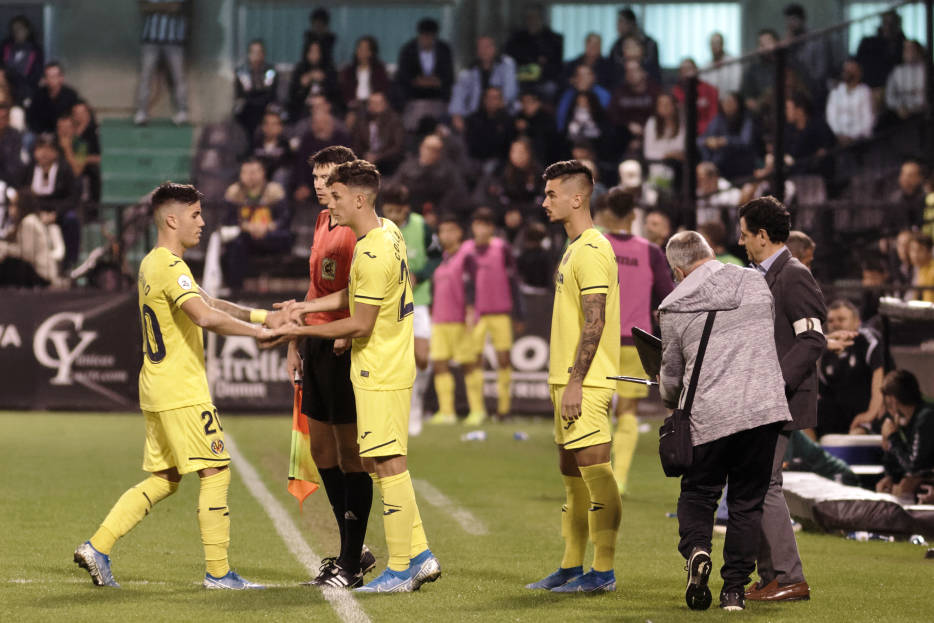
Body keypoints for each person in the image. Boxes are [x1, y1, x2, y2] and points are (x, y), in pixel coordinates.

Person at [74, 182, 288, 590]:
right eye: (195, 215)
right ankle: (220, 574)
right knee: (216, 471)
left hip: (156, 387)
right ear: (172, 219)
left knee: (165, 478)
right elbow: (205, 317)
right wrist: (256, 335)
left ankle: (97, 547)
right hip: (180, 389)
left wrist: (263, 317)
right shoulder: (171, 267)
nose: (203, 223)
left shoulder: (156, 264)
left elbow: (210, 302)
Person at [275, 160, 441, 593]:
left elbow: (360, 322)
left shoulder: (368, 247)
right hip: (390, 364)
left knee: (384, 463)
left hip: (378, 368)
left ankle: (402, 567)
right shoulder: (388, 232)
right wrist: (306, 310)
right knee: (385, 461)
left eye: (338, 194)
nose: (331, 201)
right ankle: (418, 554)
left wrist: (298, 329)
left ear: (360, 198)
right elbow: (359, 289)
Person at [659, 231, 792, 612]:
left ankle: (698, 549)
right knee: (747, 503)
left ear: (678, 270)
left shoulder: (673, 306)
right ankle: (734, 590)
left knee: (699, 494)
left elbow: (671, 380)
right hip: (763, 411)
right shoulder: (755, 281)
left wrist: (667, 393)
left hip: (710, 415)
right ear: (712, 253)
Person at [278, 146, 376, 588]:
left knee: (350, 453)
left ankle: (351, 560)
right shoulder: (322, 221)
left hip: (341, 346)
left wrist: (340, 331)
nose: (320, 184)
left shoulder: (360, 231)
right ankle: (353, 549)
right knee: (321, 453)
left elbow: (356, 296)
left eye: (328, 177)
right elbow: (315, 285)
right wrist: (295, 338)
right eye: (315, 176)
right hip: (316, 345)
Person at [527, 160, 621, 593]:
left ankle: (602, 572)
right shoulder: (574, 246)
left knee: (595, 472)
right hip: (566, 381)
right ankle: (571, 565)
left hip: (587, 382)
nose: (544, 201)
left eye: (551, 194)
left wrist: (578, 381)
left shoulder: (594, 248)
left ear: (577, 198)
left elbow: (595, 321)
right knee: (571, 476)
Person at [738, 196, 826, 603]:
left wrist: (775, 382)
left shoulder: (793, 275)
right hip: (759, 397)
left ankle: (790, 577)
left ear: (761, 235)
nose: (741, 243)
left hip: (779, 398)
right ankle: (772, 576)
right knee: (755, 484)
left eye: (744, 235)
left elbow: (812, 338)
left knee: (766, 484)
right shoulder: (760, 275)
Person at [594, 188, 673, 494]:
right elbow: (667, 296)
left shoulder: (595, 246)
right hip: (636, 342)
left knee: (597, 410)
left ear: (605, 214)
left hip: (599, 339)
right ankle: (620, 478)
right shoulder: (650, 252)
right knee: (627, 411)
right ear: (634, 215)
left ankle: (596, 476)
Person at [381, 183, 441, 436]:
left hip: (418, 301)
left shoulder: (422, 226)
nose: (394, 215)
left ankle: (416, 405)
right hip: (386, 304)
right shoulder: (378, 226)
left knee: (422, 357)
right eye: (389, 210)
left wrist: (420, 274)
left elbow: (437, 256)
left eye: (398, 210)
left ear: (407, 209)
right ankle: (396, 412)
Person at [463, 207, 524, 423]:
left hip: (501, 313)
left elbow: (513, 281)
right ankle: (477, 410)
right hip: (478, 314)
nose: (480, 229)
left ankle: (503, 410)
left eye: (484, 225)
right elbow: (466, 283)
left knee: (504, 361)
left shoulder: (502, 249)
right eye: (477, 224)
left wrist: (519, 314)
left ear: (491, 228)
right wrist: (468, 308)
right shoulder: (468, 251)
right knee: (475, 360)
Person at [428, 214, 483, 424]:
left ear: (459, 232)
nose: (446, 235)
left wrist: (470, 311)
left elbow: (473, 286)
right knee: (440, 364)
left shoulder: (466, 255)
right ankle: (446, 412)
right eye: (443, 231)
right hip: (440, 320)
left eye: (451, 230)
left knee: (468, 364)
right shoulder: (441, 259)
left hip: (461, 319)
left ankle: (477, 411)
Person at [221, 158, 292, 291]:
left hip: (270, 236)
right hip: (246, 237)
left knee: (285, 237)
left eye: (254, 172)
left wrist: (267, 227)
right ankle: (235, 289)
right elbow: (229, 221)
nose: (250, 176)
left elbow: (285, 219)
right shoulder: (234, 193)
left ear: (263, 172)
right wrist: (248, 228)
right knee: (235, 244)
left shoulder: (275, 191)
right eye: (246, 172)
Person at [817, 299, 884, 437]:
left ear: (857, 322)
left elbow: (880, 378)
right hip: (840, 416)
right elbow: (822, 394)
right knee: (802, 426)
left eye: (841, 319)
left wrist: (870, 414)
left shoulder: (868, 340)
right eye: (831, 321)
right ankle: (810, 458)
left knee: (857, 433)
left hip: (869, 414)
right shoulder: (825, 350)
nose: (835, 324)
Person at [876, 370, 934, 500]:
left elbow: (913, 466)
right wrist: (889, 476)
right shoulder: (904, 421)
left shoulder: (926, 417)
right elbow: (900, 463)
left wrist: (893, 436)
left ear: (893, 400)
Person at [134, 0, 190, 126]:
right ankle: (142, 112)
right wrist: (166, 7)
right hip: (150, 39)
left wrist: (155, 7)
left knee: (178, 77)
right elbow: (143, 7)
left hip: (174, 40)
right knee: (145, 77)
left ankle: (182, 112)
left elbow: (177, 7)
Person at [28, 134, 79, 268]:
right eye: (40, 149)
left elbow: (72, 197)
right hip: (34, 212)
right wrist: (38, 213)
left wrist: (56, 214)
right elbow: (23, 195)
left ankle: (69, 263)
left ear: (56, 152)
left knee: (72, 219)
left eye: (48, 149)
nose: (44, 153)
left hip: (59, 212)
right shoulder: (29, 169)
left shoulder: (64, 169)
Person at [395, 18, 454, 131]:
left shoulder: (444, 50)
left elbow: (449, 76)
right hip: (414, 99)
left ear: (434, 37)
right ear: (419, 35)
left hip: (439, 99)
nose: (426, 39)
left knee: (442, 128)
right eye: (424, 36)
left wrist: (436, 82)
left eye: (430, 36)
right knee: (411, 126)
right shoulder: (408, 50)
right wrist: (417, 82)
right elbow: (402, 77)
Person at [391, 133, 467, 220]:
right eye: (428, 148)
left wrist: (437, 214)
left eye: (435, 150)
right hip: (409, 211)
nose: (430, 152)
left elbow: (455, 194)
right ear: (421, 148)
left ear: (440, 153)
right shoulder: (407, 167)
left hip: (438, 214)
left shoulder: (449, 171)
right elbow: (395, 186)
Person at [449, 36, 518, 130]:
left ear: (494, 49)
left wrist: (496, 105)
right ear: (477, 51)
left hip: (502, 111)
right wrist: (456, 115)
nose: (484, 51)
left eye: (487, 47)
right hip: (477, 115)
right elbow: (458, 95)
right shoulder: (468, 72)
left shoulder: (507, 64)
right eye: (481, 48)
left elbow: (510, 92)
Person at [0, 189, 63, 286]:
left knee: (9, 264)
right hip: (35, 271)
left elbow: (26, 254)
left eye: (14, 205)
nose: (10, 209)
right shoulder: (25, 222)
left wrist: (4, 248)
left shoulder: (29, 222)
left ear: (22, 206)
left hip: (40, 274)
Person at [504, 4, 564, 100]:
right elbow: (510, 58)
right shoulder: (517, 38)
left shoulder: (554, 39)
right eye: (529, 18)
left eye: (535, 18)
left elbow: (557, 65)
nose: (532, 21)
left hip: (545, 79)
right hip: (521, 79)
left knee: (550, 88)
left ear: (541, 19)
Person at [698, 92, 758, 181]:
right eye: (725, 102)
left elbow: (745, 142)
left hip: (740, 163)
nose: (727, 105)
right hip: (718, 163)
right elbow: (700, 140)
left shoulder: (746, 119)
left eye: (731, 102)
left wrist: (725, 141)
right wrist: (708, 141)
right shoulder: (718, 119)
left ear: (738, 104)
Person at [350, 91, 405, 177]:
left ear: (385, 104)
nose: (375, 106)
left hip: (387, 160)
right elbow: (356, 143)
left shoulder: (395, 121)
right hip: (365, 158)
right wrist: (365, 155)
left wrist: (378, 157)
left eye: (378, 103)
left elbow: (397, 147)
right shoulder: (361, 121)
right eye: (372, 103)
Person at [234, 40, 279, 139]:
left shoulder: (270, 72)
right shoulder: (242, 72)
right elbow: (241, 94)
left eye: (259, 52)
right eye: (254, 52)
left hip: (265, 107)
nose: (256, 56)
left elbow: (270, 93)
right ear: (249, 54)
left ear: (263, 54)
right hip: (247, 110)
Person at [286, 39, 339, 123]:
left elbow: (335, 94)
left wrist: (324, 80)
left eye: (317, 52)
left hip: (324, 107)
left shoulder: (329, 69)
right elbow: (292, 96)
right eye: (311, 51)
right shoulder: (300, 69)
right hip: (304, 108)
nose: (314, 55)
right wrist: (303, 85)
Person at [464, 86, 516, 169]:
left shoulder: (508, 120)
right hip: (476, 159)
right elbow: (470, 144)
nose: (491, 101)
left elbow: (507, 146)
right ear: (484, 99)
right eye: (489, 97)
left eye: (495, 98)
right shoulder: (473, 119)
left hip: (499, 161)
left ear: (501, 101)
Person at [825, 59, 874, 144]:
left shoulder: (865, 92)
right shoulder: (836, 92)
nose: (846, 72)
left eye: (850, 69)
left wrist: (852, 137)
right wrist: (839, 135)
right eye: (845, 69)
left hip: (859, 141)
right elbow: (831, 118)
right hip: (838, 140)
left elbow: (868, 120)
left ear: (859, 72)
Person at [339, 36, 391, 114]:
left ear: (371, 52)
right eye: (359, 48)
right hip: (354, 106)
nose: (360, 51)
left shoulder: (379, 70)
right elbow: (345, 93)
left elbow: (383, 91)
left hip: (373, 105)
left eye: (364, 49)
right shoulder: (349, 71)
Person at [609, 8, 660, 85]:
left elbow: (653, 71)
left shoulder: (649, 43)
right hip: (621, 87)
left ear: (631, 23)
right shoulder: (616, 45)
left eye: (621, 22)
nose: (618, 26)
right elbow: (612, 72)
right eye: (627, 47)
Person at [26, 62, 79, 135]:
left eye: (54, 76)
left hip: (65, 134)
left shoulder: (71, 95)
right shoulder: (38, 95)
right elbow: (31, 118)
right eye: (48, 76)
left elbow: (75, 118)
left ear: (61, 78)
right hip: (41, 134)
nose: (51, 79)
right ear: (45, 79)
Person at [0, 15, 44, 104]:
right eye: (14, 29)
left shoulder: (36, 50)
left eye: (20, 29)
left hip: (26, 90)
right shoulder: (5, 46)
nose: (17, 32)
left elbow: (36, 74)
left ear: (27, 30)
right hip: (6, 89)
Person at [672, 58, 719, 135]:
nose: (686, 72)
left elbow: (713, 115)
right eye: (683, 69)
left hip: (706, 131)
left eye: (689, 68)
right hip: (682, 132)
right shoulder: (675, 92)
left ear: (696, 70)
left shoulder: (710, 89)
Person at [885, 40, 926, 120]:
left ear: (918, 51)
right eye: (906, 49)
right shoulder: (897, 71)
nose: (909, 52)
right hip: (900, 112)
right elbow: (889, 96)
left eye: (911, 49)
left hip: (921, 113)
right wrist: (899, 107)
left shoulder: (927, 71)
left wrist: (915, 108)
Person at [251, 109, 293, 187]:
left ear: (280, 127)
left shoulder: (285, 145)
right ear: (262, 127)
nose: (269, 127)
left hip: (277, 181)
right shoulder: (256, 145)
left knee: (281, 174)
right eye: (266, 124)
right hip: (258, 179)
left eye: (274, 124)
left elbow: (287, 165)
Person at [695, 161, 741, 228]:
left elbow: (741, 199)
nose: (698, 183)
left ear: (714, 178)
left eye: (701, 179)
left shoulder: (726, 188)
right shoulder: (699, 192)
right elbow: (700, 222)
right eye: (697, 179)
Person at [704, 32, 741, 96]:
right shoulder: (706, 66)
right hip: (711, 102)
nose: (714, 46)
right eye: (712, 43)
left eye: (717, 43)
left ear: (722, 44)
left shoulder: (733, 62)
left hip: (729, 101)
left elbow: (735, 87)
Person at [0, 102, 25, 185]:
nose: (1, 121)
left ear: (8, 119)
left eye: (3, 117)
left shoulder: (15, 134)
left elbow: (13, 161)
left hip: (9, 177)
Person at [908, 232, 934, 303]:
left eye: (919, 250)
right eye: (912, 250)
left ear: (929, 251)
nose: (915, 255)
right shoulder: (920, 269)